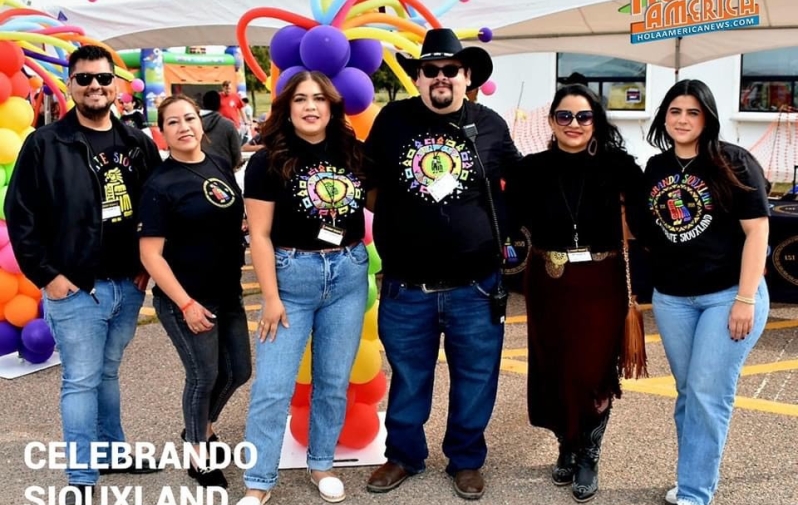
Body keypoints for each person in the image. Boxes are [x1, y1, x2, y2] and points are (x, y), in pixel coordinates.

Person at [363, 28, 522, 500]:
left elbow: (515, 184)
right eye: (429, 70)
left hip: (475, 286)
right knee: (410, 378)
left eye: (450, 70)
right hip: (406, 287)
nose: (440, 78)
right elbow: (368, 184)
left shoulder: (489, 124)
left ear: (466, 75)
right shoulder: (392, 120)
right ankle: (404, 456)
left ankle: (466, 459)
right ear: (418, 78)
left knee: (476, 377)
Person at [4, 45, 163, 505]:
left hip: (128, 287)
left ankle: (113, 453)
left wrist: (145, 267)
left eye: (102, 78)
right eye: (84, 79)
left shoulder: (138, 143)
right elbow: (21, 216)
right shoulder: (45, 143)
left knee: (106, 374)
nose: (95, 86)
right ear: (71, 86)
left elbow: (157, 207)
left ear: (116, 84)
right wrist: (47, 276)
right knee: (81, 378)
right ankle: (81, 471)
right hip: (76, 289)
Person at [503, 84, 646, 502]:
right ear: (551, 122)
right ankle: (565, 443)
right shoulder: (532, 169)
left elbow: (646, 216)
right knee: (554, 366)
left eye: (583, 117)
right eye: (564, 116)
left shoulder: (619, 166)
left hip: (601, 282)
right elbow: (508, 221)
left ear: (595, 121)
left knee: (591, 370)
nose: (574, 124)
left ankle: (588, 453)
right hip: (549, 280)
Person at [236, 70, 371, 505]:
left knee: (332, 381)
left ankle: (321, 464)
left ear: (332, 106)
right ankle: (259, 481)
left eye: (319, 99)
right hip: (292, 278)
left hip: (348, 275)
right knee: (272, 388)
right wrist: (270, 298)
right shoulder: (267, 160)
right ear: (287, 108)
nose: (310, 106)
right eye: (300, 99)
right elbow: (258, 235)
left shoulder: (353, 151)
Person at [640, 79, 770, 505]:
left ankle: (694, 493)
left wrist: (745, 300)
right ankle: (691, 476)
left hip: (728, 295)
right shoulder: (656, 167)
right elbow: (647, 230)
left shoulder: (734, 161)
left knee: (706, 392)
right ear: (664, 116)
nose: (682, 120)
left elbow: (758, 234)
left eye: (693, 112)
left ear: (708, 117)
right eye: (675, 111)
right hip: (672, 299)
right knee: (688, 392)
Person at [138, 95, 251, 489]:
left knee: (238, 371)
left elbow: (225, 214)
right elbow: (151, 254)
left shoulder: (217, 163)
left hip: (228, 292)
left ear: (201, 124)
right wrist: (185, 303)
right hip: (186, 299)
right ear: (162, 132)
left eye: (190, 118)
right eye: (173, 122)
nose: (184, 126)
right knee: (203, 376)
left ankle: (199, 427)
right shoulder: (160, 184)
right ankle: (197, 454)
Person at [201, 91, 243, 173]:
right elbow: (236, 151)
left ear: (203, 103)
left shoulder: (193, 125)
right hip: (224, 171)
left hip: (199, 171)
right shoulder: (228, 125)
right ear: (220, 104)